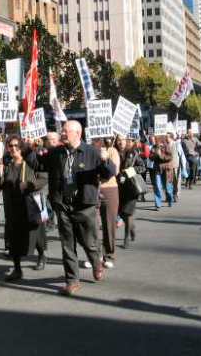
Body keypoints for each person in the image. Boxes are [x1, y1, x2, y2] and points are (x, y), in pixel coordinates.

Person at [27, 120, 114, 296]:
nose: (63, 134)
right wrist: (29, 148)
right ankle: (72, 280)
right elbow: (36, 163)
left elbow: (108, 173)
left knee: (89, 242)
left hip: (84, 205)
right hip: (63, 205)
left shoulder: (92, 152)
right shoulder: (56, 152)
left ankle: (96, 263)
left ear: (78, 133)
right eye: (62, 131)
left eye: (66, 131)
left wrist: (105, 160)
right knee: (67, 244)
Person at [0, 136, 48, 281]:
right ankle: (17, 269)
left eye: (16, 146)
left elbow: (43, 178)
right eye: (10, 146)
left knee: (35, 232)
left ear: (21, 147)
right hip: (12, 206)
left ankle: (41, 254)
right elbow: (0, 185)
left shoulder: (31, 162)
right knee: (14, 237)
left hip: (30, 204)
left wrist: (29, 185)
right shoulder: (7, 164)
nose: (13, 148)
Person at [117, 137, 145, 248]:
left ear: (127, 141)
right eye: (118, 140)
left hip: (132, 187)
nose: (120, 142)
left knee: (128, 212)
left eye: (122, 140)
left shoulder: (133, 153)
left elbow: (142, 167)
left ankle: (126, 238)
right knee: (122, 213)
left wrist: (129, 171)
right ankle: (132, 228)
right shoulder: (114, 152)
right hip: (119, 187)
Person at [99, 137, 120, 268]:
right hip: (92, 189)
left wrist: (105, 159)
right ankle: (95, 255)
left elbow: (115, 172)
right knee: (92, 226)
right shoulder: (89, 150)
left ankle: (109, 254)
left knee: (108, 224)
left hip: (109, 189)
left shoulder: (112, 151)